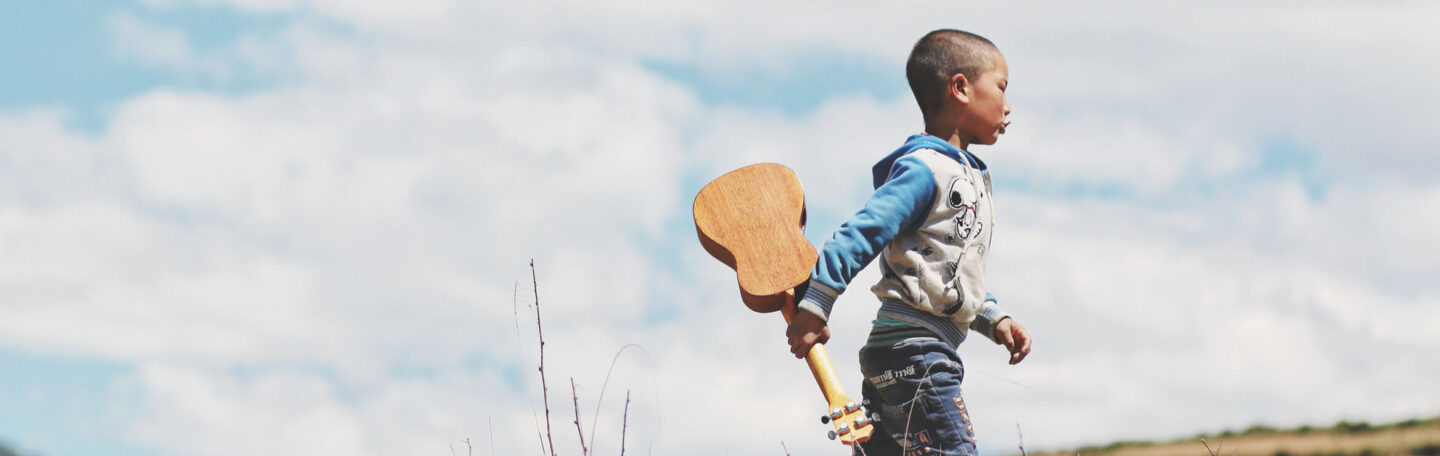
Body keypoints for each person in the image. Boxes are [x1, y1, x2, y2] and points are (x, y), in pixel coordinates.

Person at [786, 29, 1032, 456]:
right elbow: (861, 232)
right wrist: (815, 306)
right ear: (960, 88)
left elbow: (947, 270)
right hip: (918, 355)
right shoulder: (926, 170)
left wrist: (993, 318)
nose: (1008, 105)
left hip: (898, 355)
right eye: (1001, 87)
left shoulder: (958, 174)